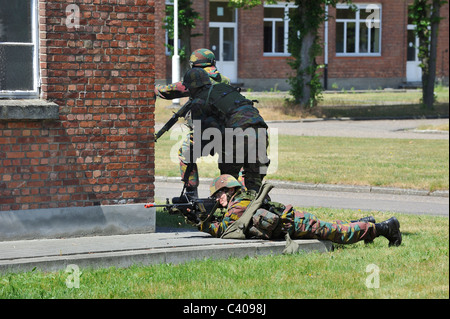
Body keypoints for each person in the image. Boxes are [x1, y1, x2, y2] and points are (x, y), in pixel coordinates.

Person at [196, 174, 402, 247]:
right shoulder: (239, 200)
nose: (217, 200)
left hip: (296, 223)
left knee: (339, 234)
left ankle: (385, 228)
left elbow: (226, 230)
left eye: (218, 195)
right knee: (332, 228)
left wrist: (202, 223)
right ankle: (366, 222)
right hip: (294, 222)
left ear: (229, 189)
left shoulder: (239, 204)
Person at [154, 49, 231, 197]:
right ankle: (231, 195)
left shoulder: (198, 78)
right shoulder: (224, 79)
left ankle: (190, 194)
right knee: (230, 161)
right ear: (212, 62)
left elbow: (169, 91)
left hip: (205, 131)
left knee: (185, 153)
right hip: (227, 129)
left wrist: (155, 88)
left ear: (193, 64)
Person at [182, 69, 270, 193]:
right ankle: (258, 207)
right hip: (260, 128)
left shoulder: (199, 101)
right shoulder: (223, 87)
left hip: (238, 133)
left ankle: (233, 208)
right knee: (254, 179)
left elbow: (203, 134)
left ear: (192, 87)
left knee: (229, 180)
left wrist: (195, 152)